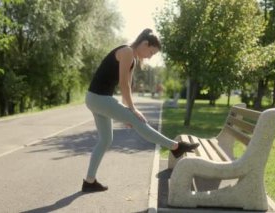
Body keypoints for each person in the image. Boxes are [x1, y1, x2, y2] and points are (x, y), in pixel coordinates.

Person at [82, 28, 199, 193]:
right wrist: (132, 112)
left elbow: (127, 89)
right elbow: (123, 84)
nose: (150, 57)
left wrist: (128, 114)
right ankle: (175, 147)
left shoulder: (132, 59)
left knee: (106, 139)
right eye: (151, 52)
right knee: (138, 121)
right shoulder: (127, 51)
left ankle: (89, 181)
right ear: (145, 44)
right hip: (99, 98)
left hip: (94, 98)